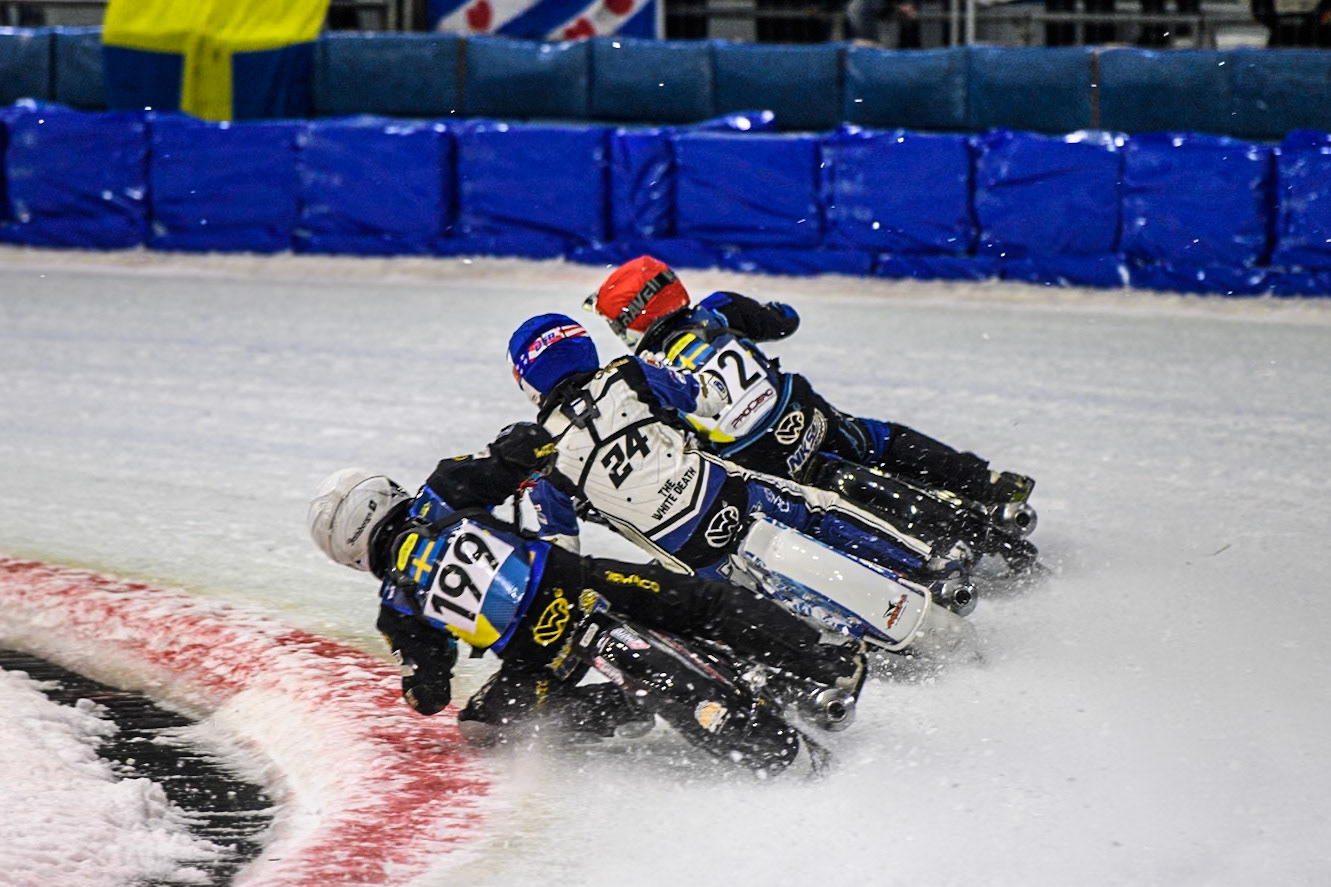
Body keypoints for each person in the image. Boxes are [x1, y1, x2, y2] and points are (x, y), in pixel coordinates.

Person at [305, 424, 866, 750]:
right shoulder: (444, 488)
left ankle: (621, 705)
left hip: (539, 661)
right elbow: (520, 456)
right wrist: (524, 448)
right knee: (703, 601)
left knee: (480, 727)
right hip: (586, 587)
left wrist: (418, 680)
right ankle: (825, 663)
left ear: (350, 555)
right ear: (383, 494)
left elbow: (428, 694)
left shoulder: (395, 609)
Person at [508, 313, 959, 586]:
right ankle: (925, 563)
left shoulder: (547, 459)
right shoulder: (632, 374)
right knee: (819, 508)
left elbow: (560, 555)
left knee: (716, 606)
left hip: (689, 552)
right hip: (731, 490)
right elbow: (715, 393)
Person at [583, 255, 1034, 509]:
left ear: (634, 319)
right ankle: (987, 481)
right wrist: (770, 312)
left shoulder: (644, 373)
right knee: (876, 440)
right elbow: (784, 322)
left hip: (755, 459)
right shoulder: (719, 307)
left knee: (789, 519)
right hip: (800, 412)